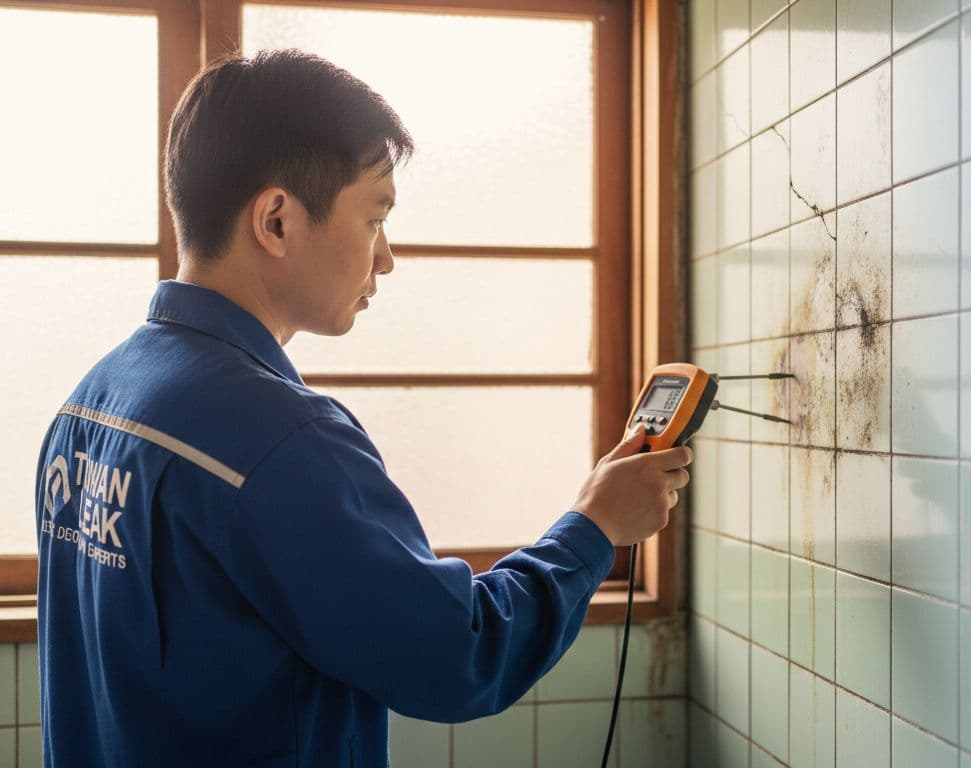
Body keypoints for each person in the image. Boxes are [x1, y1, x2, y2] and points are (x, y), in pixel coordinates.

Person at [32, 48, 692, 767]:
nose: (385, 258)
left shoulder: (90, 402)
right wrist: (595, 528)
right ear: (277, 220)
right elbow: (458, 656)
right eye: (375, 216)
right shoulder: (280, 439)